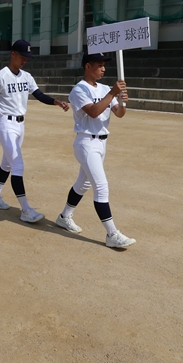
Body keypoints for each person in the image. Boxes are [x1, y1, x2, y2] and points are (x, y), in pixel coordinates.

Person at [0, 40, 69, 223]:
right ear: (13, 54)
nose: (24, 60)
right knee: (17, 165)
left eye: (27, 58)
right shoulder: (1, 76)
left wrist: (56, 101)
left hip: (20, 125)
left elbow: (39, 95)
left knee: (7, 164)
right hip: (6, 124)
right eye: (22, 56)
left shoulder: (26, 76)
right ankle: (26, 209)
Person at [56, 52, 136, 248]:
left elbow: (119, 113)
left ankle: (64, 216)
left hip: (101, 143)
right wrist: (112, 94)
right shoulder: (79, 90)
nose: (103, 69)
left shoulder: (105, 88)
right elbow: (93, 112)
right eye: (99, 65)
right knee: (101, 187)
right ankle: (112, 234)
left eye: (104, 65)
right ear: (87, 66)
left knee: (83, 184)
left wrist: (123, 102)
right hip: (86, 143)